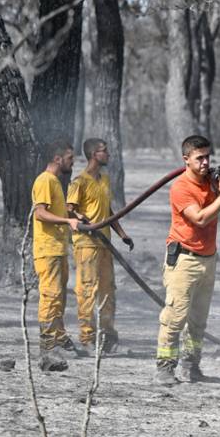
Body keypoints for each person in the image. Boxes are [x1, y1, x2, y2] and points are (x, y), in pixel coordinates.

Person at [154, 134, 220, 386]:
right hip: (184, 261)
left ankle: (191, 366)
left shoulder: (210, 182)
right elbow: (199, 218)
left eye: (208, 157)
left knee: (198, 321)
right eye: (199, 158)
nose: (205, 163)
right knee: (174, 318)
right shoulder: (181, 188)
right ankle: (165, 368)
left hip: (208, 260)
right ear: (186, 160)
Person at [67, 138, 133, 354]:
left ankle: (108, 337)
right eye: (104, 151)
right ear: (94, 155)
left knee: (108, 290)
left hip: (105, 244)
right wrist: (80, 217)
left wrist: (122, 235)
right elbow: (69, 210)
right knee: (87, 291)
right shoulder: (79, 182)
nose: (108, 154)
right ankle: (87, 338)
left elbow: (108, 211)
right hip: (87, 244)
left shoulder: (104, 179)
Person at [31, 140, 82, 372]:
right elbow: (40, 213)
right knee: (50, 296)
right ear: (58, 159)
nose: (73, 162)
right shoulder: (45, 180)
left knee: (59, 297)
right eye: (70, 158)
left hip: (58, 249)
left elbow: (54, 212)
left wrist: (72, 216)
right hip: (47, 250)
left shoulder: (55, 182)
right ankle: (47, 346)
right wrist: (66, 221)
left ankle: (60, 338)